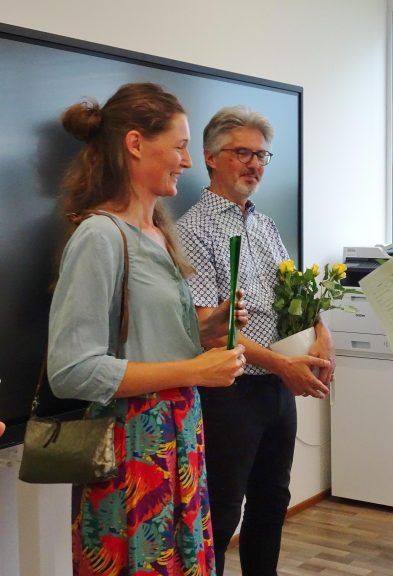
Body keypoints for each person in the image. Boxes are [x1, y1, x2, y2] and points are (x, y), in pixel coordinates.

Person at [47, 82, 247, 576]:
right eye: (179, 146)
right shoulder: (100, 236)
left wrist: (210, 328)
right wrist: (195, 369)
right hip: (131, 448)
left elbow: (153, 345)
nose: (188, 161)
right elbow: (72, 371)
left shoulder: (157, 233)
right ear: (135, 144)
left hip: (178, 437)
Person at [176, 106, 334, 576]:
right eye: (241, 152)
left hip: (275, 391)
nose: (254, 164)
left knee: (272, 505)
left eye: (261, 155)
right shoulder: (193, 229)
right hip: (229, 393)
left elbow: (295, 296)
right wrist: (283, 365)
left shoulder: (263, 225)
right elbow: (210, 329)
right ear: (209, 157)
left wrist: (321, 334)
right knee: (222, 513)